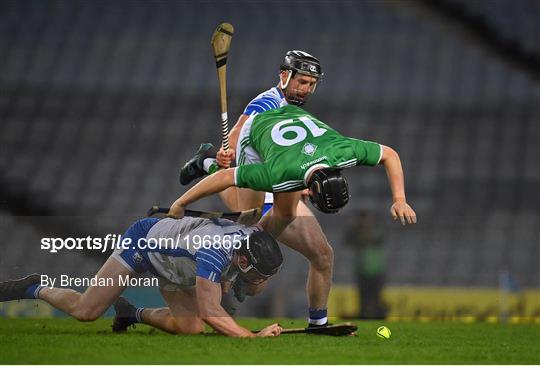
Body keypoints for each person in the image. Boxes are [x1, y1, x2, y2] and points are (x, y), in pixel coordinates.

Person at [178, 51, 340, 327]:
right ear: (284, 76)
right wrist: (225, 149)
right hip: (258, 188)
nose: (307, 89)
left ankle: (319, 325)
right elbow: (240, 128)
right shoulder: (267, 101)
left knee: (323, 254)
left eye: (312, 84)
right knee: (255, 285)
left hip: (277, 190)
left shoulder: (296, 111)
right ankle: (210, 165)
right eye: (302, 82)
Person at [0, 216, 283, 337]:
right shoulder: (214, 250)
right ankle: (33, 287)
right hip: (144, 245)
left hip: (176, 266)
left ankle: (130, 314)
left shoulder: (251, 239)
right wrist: (250, 336)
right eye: (257, 273)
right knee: (86, 311)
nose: (260, 279)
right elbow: (210, 309)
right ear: (243, 260)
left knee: (191, 329)